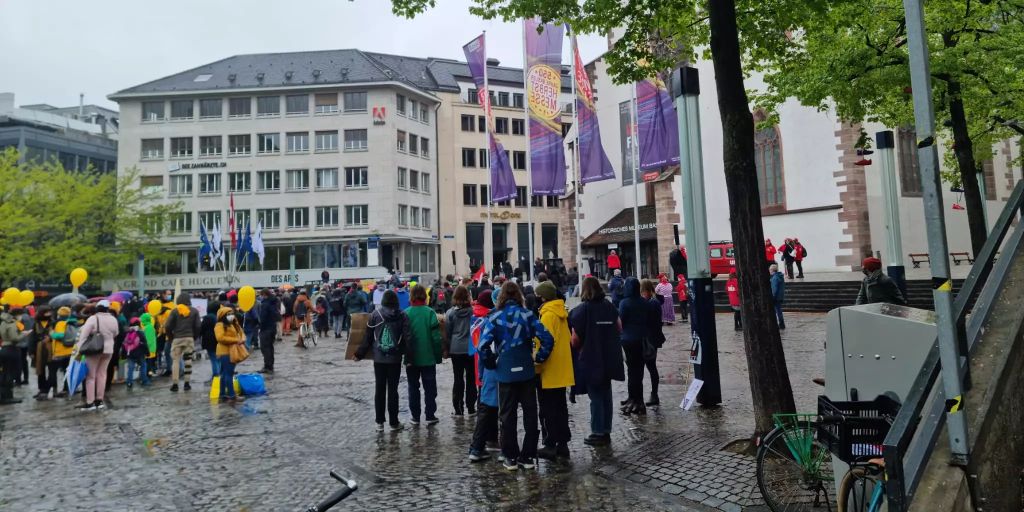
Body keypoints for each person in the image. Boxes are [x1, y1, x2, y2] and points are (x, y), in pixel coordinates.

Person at [478, 282, 554, 471]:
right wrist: (540, 357)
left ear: (502, 296)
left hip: (505, 372)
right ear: (518, 295)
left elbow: (483, 346)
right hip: (526, 370)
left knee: (507, 416)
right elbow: (547, 338)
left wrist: (491, 363)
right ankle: (527, 455)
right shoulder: (528, 315)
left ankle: (510, 456)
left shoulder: (495, 318)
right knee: (530, 415)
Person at [569, 277, 624, 446]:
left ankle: (598, 431)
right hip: (609, 356)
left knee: (596, 396)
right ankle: (605, 429)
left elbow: (575, 340)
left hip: (592, 357)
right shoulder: (609, 306)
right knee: (606, 394)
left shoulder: (582, 310)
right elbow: (619, 327)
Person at [354, 290, 410, 431]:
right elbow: (407, 337)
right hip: (395, 358)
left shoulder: (375, 315)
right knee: (393, 390)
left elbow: (367, 337)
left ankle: (379, 422)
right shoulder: (402, 315)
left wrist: (359, 354)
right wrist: (408, 356)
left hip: (379, 358)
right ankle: (394, 422)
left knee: (379, 389)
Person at [533, 281, 574, 460]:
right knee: (560, 407)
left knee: (547, 409)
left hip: (549, 370)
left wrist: (537, 363)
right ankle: (562, 444)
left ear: (542, 297)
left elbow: (544, 343)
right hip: (561, 369)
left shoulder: (548, 315)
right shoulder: (561, 312)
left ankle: (550, 444)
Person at [404, 285, 442, 425]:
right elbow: (436, 338)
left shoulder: (406, 313)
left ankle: (415, 416)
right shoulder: (430, 313)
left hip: (411, 358)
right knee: (430, 388)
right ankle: (430, 415)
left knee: (413, 387)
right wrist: (438, 356)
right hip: (428, 358)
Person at [467, 290, 498, 461]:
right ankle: (486, 442)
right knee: (491, 406)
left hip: (479, 365)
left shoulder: (474, 317)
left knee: (485, 404)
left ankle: (483, 442)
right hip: (491, 365)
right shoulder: (491, 319)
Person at [74, 300, 119, 410]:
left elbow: (83, 335)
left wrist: (79, 349)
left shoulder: (93, 318)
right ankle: (100, 400)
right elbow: (116, 333)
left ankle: (90, 402)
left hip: (94, 349)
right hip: (108, 350)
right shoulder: (113, 319)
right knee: (102, 374)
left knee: (91, 376)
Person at [618, 277, 649, 415]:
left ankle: (633, 399)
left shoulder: (624, 303)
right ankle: (638, 400)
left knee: (631, 371)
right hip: (641, 339)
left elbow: (621, 321)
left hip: (628, 340)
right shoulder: (643, 302)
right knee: (639, 371)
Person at [443, 285, 476, 416]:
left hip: (456, 348)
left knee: (458, 378)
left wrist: (449, 346)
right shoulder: (472, 311)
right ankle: (471, 407)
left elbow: (448, 332)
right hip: (470, 348)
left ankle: (458, 408)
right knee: (471, 378)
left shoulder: (450, 313)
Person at [162, 293, 200, 392]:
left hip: (177, 338)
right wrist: (194, 336)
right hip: (189, 338)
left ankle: (175, 384)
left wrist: (171, 337)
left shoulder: (175, 311)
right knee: (188, 361)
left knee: (175, 361)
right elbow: (198, 326)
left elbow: (167, 326)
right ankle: (187, 383)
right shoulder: (194, 311)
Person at [639, 280, 666, 407]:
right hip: (651, 338)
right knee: (650, 367)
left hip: (651, 339)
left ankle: (654, 394)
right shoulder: (652, 302)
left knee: (651, 367)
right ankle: (652, 394)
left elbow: (650, 321)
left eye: (642, 291)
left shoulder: (652, 303)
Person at [214, 305, 246, 403]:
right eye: (228, 314)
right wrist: (236, 340)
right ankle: (232, 395)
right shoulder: (220, 325)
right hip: (225, 351)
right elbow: (220, 338)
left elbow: (240, 332)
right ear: (223, 315)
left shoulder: (231, 324)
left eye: (232, 314)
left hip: (230, 351)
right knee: (228, 373)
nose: (231, 316)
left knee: (224, 373)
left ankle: (223, 394)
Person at [45, 306, 77, 399]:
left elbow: (60, 335)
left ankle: (52, 390)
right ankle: (66, 389)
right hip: (70, 351)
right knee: (67, 371)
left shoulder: (60, 323)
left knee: (52, 371)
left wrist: (51, 333)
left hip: (60, 352)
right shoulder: (72, 322)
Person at [0, 306, 25, 405]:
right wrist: (23, 334)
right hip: (11, 349)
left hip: (4, 349)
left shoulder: (3, 322)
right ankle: (8, 396)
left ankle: (3, 396)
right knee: (11, 373)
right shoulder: (12, 323)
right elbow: (14, 338)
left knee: (4, 373)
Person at [30, 307, 53, 400]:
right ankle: (41, 389)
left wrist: (50, 338)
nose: (48, 314)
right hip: (39, 349)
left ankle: (47, 388)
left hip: (51, 348)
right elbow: (32, 338)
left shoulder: (53, 323)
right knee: (40, 370)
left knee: (52, 371)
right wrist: (31, 351)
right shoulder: (36, 324)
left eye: (49, 312)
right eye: (46, 312)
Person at [122, 317, 149, 389]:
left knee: (131, 367)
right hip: (139, 352)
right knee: (143, 365)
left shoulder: (128, 332)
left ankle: (129, 382)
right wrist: (147, 352)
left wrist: (124, 354)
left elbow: (124, 343)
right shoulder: (140, 331)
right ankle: (144, 380)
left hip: (130, 352)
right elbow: (144, 342)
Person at [257, 289, 281, 373]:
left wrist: (259, 325)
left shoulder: (265, 304)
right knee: (270, 347)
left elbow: (262, 318)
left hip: (265, 329)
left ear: (264, 294)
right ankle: (271, 365)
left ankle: (267, 366)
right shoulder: (274, 302)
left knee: (265, 348)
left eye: (261, 295)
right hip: (272, 327)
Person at [200, 303, 220, 384]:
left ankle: (216, 376)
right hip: (219, 340)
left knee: (213, 359)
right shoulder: (220, 316)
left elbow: (202, 328)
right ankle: (219, 375)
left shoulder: (207, 317)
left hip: (209, 341)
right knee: (218, 359)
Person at [139, 312, 158, 379]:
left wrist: (145, 348)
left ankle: (148, 375)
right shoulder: (147, 326)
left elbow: (149, 340)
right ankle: (148, 374)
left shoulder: (149, 327)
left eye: (142, 319)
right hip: (149, 348)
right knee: (148, 363)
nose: (140, 321)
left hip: (149, 349)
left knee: (148, 363)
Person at [769, 263, 786, 330]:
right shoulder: (780, 276)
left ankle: (780, 324)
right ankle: (781, 324)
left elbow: (774, 289)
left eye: (770, 270)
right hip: (780, 296)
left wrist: (773, 297)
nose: (769, 271)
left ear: (772, 270)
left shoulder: (774, 278)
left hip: (776, 297)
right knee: (778, 310)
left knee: (777, 311)